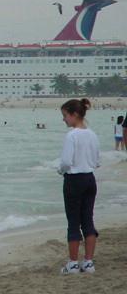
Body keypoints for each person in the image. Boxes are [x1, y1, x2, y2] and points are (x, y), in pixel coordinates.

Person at [58, 98, 100, 274]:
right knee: (88, 219)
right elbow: (97, 161)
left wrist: (60, 170)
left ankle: (73, 263)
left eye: (65, 115)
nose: (64, 119)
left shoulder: (72, 135)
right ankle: (88, 262)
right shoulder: (92, 134)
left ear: (74, 115)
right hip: (90, 179)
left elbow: (66, 161)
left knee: (73, 222)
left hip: (74, 180)